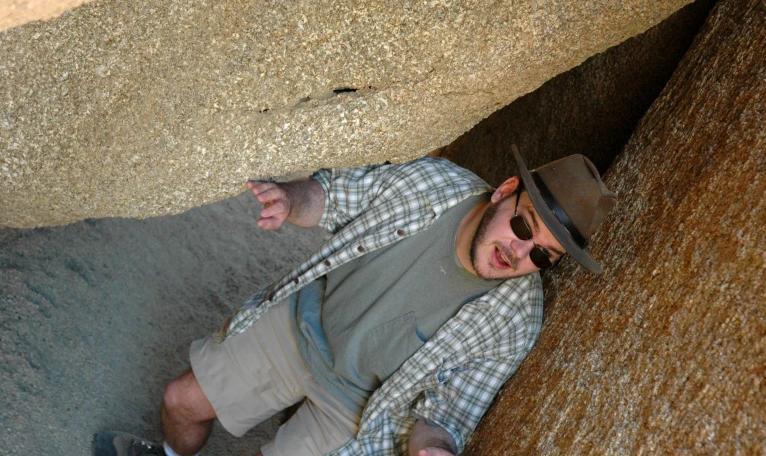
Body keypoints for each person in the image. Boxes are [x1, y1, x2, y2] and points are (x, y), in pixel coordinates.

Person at [95, 145, 616, 456]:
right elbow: (341, 196)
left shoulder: (515, 320)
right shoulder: (437, 185)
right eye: (523, 225)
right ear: (504, 191)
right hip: (307, 320)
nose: (518, 252)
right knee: (180, 403)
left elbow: (450, 412)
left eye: (543, 256)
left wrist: (433, 448)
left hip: (361, 410)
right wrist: (292, 200)